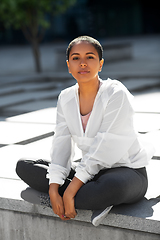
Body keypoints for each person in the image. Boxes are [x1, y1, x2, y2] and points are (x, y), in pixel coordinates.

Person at [16, 36, 154, 227]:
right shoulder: (65, 98)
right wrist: (54, 188)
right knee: (23, 166)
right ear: (68, 65)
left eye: (90, 57)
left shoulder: (116, 93)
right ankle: (74, 198)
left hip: (127, 173)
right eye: (75, 58)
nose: (82, 63)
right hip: (89, 173)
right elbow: (61, 144)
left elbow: (105, 148)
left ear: (100, 64)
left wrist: (71, 189)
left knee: (109, 188)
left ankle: (57, 200)